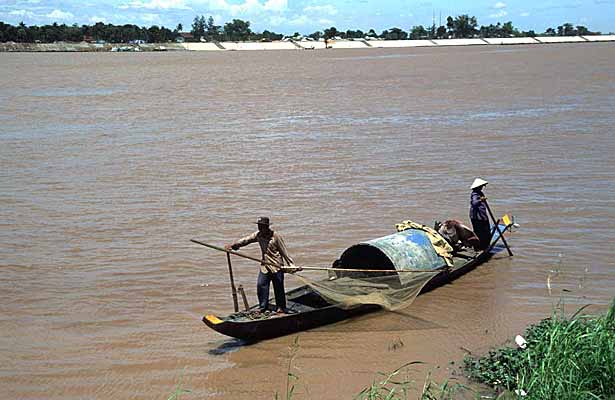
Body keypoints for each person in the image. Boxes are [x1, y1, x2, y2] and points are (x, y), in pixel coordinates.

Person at [225, 217, 297, 314]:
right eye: (259, 226)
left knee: (278, 287)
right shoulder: (258, 235)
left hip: (276, 266)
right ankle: (263, 307)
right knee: (261, 284)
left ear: (266, 227)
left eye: (261, 226)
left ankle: (281, 307)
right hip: (265, 265)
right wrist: (234, 246)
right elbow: (246, 240)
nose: (259, 228)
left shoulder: (275, 237)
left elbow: (284, 252)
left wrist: (291, 265)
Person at [469, 178, 492, 250]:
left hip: (481, 216)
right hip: (477, 217)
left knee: (485, 232)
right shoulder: (475, 194)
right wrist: (481, 200)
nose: (482, 187)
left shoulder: (479, 193)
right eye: (482, 186)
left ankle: (483, 246)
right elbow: (474, 203)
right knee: (481, 232)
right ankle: (480, 247)